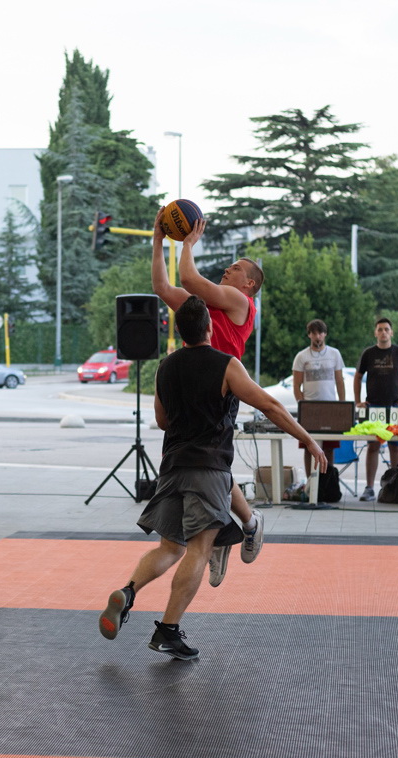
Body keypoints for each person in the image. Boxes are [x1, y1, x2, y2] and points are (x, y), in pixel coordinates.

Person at [98, 297, 327, 660]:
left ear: (179, 332)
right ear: (208, 329)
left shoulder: (165, 367)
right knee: (199, 550)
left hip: (172, 467)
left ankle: (128, 592)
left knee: (170, 547)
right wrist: (308, 438)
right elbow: (269, 405)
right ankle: (168, 631)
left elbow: (162, 420)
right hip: (209, 469)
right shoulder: (227, 365)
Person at [150, 208, 266, 585]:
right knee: (206, 468)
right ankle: (238, 527)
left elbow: (187, 276)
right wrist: (156, 242)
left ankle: (236, 529)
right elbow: (164, 288)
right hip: (192, 386)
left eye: (235, 268)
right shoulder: (203, 310)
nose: (228, 270)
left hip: (220, 386)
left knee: (211, 469)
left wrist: (186, 242)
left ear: (248, 285)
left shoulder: (239, 304)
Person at [354, 318, 398, 501]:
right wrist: (358, 401)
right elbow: (357, 377)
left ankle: (397, 487)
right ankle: (369, 488)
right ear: (375, 333)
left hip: (396, 407)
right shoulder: (368, 353)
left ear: (391, 332)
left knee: (396, 448)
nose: (383, 332)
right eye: (380, 329)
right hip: (373, 406)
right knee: (373, 446)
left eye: (386, 329)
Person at [292, 318, 346, 475]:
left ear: (325, 334)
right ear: (309, 335)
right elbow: (296, 386)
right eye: (314, 333)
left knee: (329, 447)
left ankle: (327, 480)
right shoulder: (301, 357)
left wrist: (342, 406)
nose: (318, 336)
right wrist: (303, 406)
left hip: (330, 407)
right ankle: (310, 483)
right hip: (310, 408)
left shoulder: (334, 354)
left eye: (320, 333)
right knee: (309, 446)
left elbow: (339, 381)